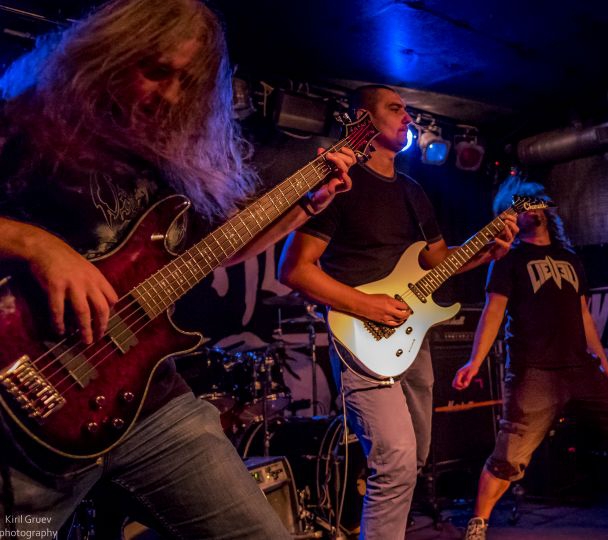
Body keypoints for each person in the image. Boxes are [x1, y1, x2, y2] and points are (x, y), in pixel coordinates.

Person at [0, 0, 355, 537]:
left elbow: (215, 253)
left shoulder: (172, 155)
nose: (169, 94)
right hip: (29, 411)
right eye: (156, 70)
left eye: (186, 82)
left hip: (149, 405)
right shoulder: (26, 118)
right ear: (111, 52)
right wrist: (38, 245)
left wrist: (303, 208)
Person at [277, 84, 517, 539]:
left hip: (411, 336)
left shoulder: (412, 191)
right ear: (364, 119)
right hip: (361, 336)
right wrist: (367, 304)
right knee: (396, 459)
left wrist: (486, 251)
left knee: (416, 455)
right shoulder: (339, 184)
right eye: (395, 108)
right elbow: (294, 269)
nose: (409, 118)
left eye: (407, 110)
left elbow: (437, 262)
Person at [453, 177, 608, 540]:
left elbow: (583, 315)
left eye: (534, 201)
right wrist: (474, 362)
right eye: (520, 204)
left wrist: (602, 361)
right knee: (510, 454)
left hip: (580, 366)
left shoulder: (569, 258)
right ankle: (478, 522)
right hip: (534, 369)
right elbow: (493, 312)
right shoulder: (508, 259)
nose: (530, 207)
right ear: (510, 214)